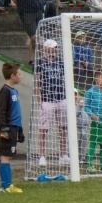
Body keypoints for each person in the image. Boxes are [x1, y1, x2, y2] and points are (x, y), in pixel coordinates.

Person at [34, 39, 69, 167]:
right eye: (53, 47)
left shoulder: (60, 62)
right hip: (47, 99)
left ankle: (62, 154)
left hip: (61, 98)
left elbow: (65, 80)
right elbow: (37, 83)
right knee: (44, 128)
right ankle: (42, 155)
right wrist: (40, 101)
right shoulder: (40, 63)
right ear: (46, 49)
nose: (55, 50)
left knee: (63, 127)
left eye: (56, 47)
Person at [0, 63, 24, 193]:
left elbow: (16, 112)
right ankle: (6, 186)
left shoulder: (15, 91)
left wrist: (20, 129)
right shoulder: (5, 91)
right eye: (19, 74)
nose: (21, 76)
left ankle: (5, 185)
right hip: (8, 128)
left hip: (14, 128)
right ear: (12, 76)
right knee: (5, 156)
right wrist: (3, 128)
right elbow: (1, 111)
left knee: (7, 155)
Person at [84, 71, 102, 174]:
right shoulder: (90, 92)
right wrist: (92, 115)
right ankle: (89, 165)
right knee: (93, 143)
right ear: (96, 79)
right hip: (95, 123)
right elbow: (86, 106)